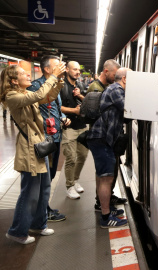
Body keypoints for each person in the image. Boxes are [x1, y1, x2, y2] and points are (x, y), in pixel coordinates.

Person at [1, 63, 66, 244]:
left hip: (39, 146)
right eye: (23, 74)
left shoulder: (24, 93)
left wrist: (58, 81)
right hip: (29, 149)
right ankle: (17, 231)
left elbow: (47, 97)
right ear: (14, 81)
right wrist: (53, 76)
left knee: (44, 187)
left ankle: (39, 224)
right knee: (30, 191)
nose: (28, 75)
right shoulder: (12, 96)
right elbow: (39, 95)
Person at [27, 55, 71, 221]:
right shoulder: (36, 87)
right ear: (47, 69)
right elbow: (37, 104)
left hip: (55, 136)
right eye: (57, 65)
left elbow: (56, 109)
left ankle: (43, 209)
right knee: (43, 178)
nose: (61, 68)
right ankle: (42, 212)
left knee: (50, 175)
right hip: (44, 138)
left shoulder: (56, 85)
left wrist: (63, 117)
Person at [86, 68, 131, 228]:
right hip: (102, 139)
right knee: (106, 178)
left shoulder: (112, 89)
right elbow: (128, 109)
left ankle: (104, 208)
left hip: (102, 138)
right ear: (124, 79)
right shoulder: (116, 89)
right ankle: (106, 218)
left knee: (102, 176)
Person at [60, 61, 88, 199]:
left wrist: (79, 95)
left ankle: (75, 180)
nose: (77, 72)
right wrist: (73, 111)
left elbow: (88, 104)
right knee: (71, 157)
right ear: (67, 70)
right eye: (74, 69)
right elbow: (56, 107)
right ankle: (69, 185)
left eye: (79, 70)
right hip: (68, 127)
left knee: (82, 156)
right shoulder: (60, 86)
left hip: (82, 126)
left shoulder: (81, 85)